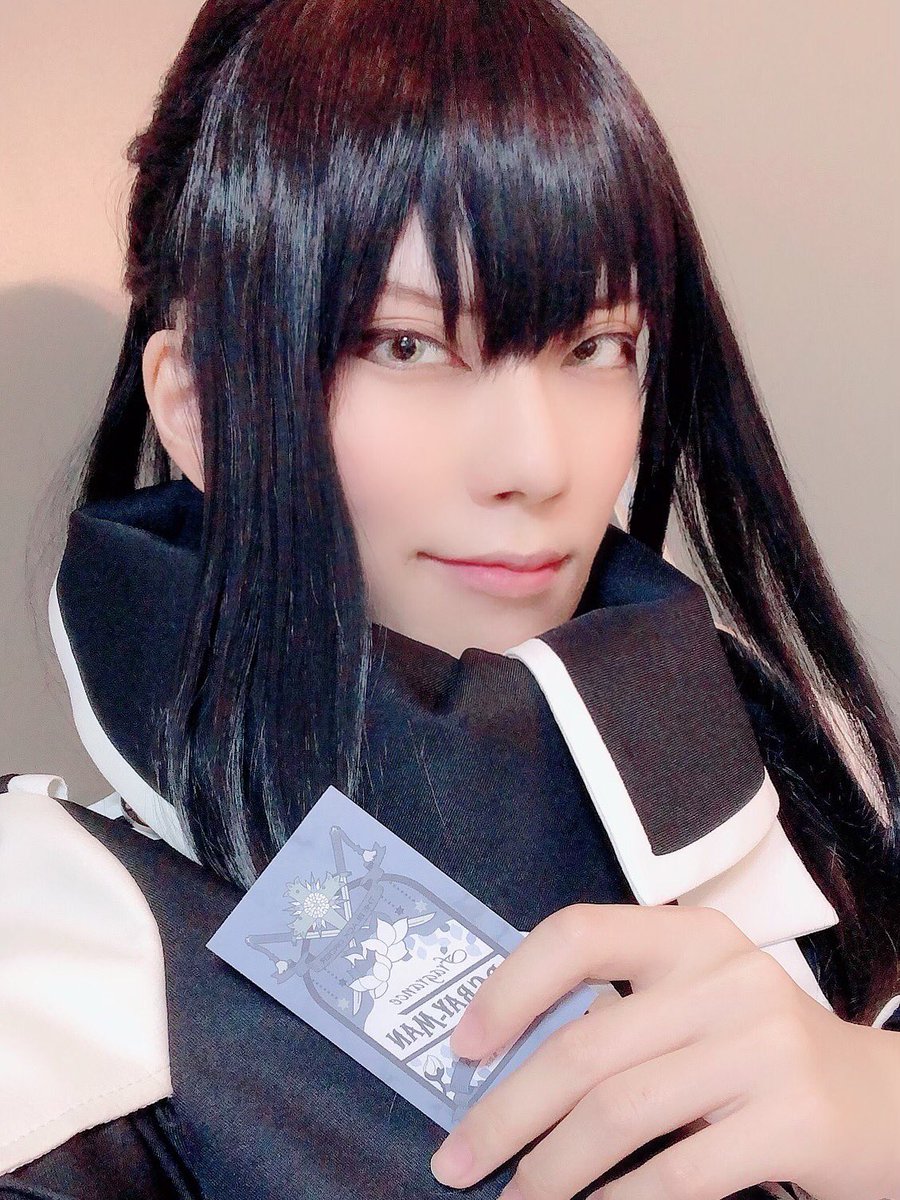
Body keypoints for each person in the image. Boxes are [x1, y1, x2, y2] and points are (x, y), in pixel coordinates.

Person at [1, 0, 899, 1197]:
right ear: (199, 403)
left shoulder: (804, 778)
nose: (536, 463)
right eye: (407, 346)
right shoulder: (60, 959)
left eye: (596, 345)